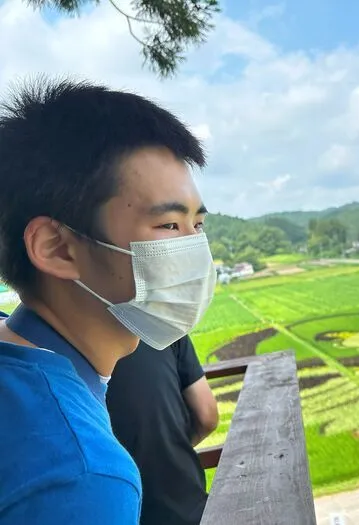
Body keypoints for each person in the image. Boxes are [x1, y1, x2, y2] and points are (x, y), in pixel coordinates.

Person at [0, 78, 216, 524]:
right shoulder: (81, 478)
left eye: (197, 224)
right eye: (169, 226)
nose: (197, 251)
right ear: (57, 248)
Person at [107, 335, 219, 525]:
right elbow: (207, 415)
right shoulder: (162, 323)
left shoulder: (56, 349)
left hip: (118, 510)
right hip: (187, 507)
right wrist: (166, 443)